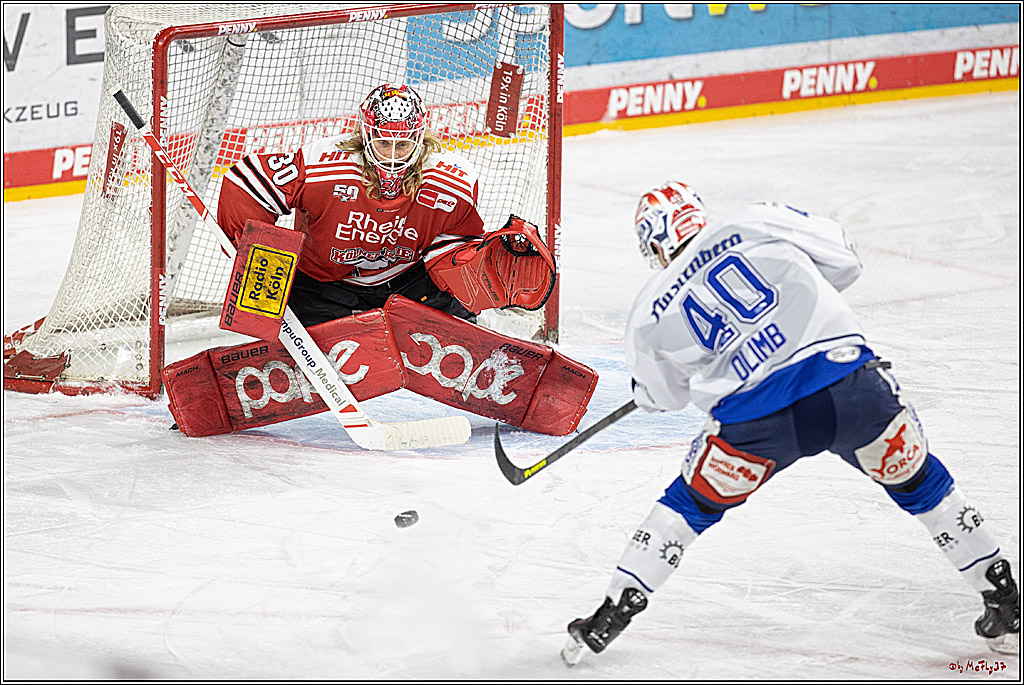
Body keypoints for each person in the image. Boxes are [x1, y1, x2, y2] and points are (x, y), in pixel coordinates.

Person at [561, 181, 1020, 665]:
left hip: (756, 424)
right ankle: (1005, 602)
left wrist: (651, 389)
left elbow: (665, 396)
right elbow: (845, 258)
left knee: (687, 507)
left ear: (655, 245)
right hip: (850, 388)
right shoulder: (751, 220)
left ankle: (609, 616)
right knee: (925, 486)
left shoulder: (648, 310)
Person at [217, 82, 553, 327]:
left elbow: (448, 246)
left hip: (406, 284)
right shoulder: (322, 164)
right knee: (275, 314)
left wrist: (474, 268)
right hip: (322, 285)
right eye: (383, 144)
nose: (393, 157)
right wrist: (258, 258)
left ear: (419, 139)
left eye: (403, 145)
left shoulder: (453, 181)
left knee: (460, 315)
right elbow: (246, 184)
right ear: (365, 136)